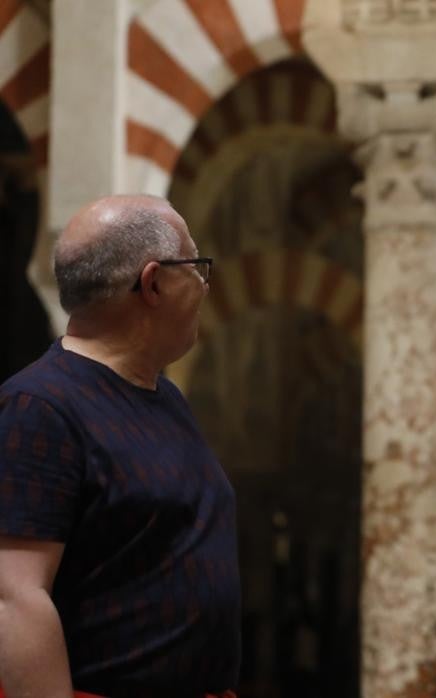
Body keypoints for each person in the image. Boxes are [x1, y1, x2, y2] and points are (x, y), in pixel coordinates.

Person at [0, 195, 239, 698]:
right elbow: (13, 595)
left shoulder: (163, 394)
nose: (204, 284)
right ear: (152, 282)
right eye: (196, 266)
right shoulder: (39, 406)